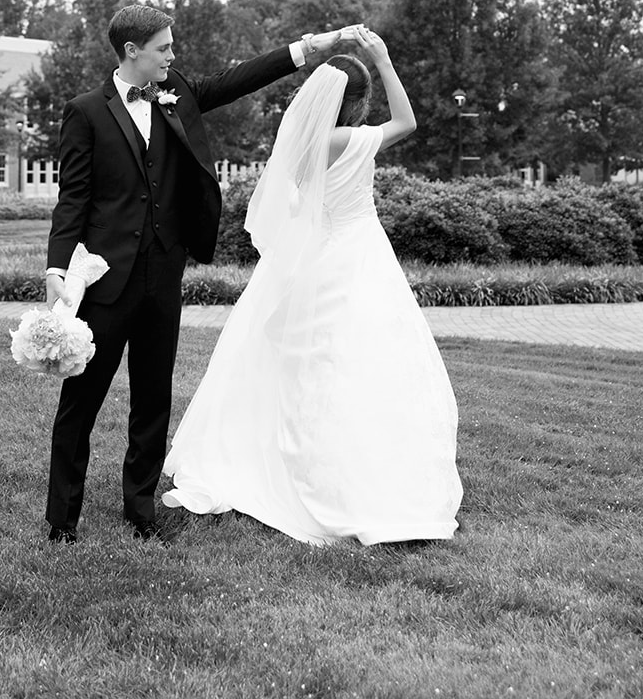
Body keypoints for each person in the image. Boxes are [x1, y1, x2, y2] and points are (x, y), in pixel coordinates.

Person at [43, 2, 356, 543]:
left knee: (153, 396)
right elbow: (74, 197)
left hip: (164, 272)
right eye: (163, 47)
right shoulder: (85, 112)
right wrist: (55, 266)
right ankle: (62, 520)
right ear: (131, 51)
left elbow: (238, 79)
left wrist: (310, 48)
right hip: (105, 277)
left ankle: (140, 511)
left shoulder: (177, 92)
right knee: (82, 399)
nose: (172, 55)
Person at [162, 27, 463, 546]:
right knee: (365, 365)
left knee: (297, 365)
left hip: (310, 260)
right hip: (358, 257)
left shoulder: (301, 144)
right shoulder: (351, 140)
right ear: (358, 102)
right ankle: (361, 475)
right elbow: (408, 122)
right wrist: (386, 61)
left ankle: (280, 458)